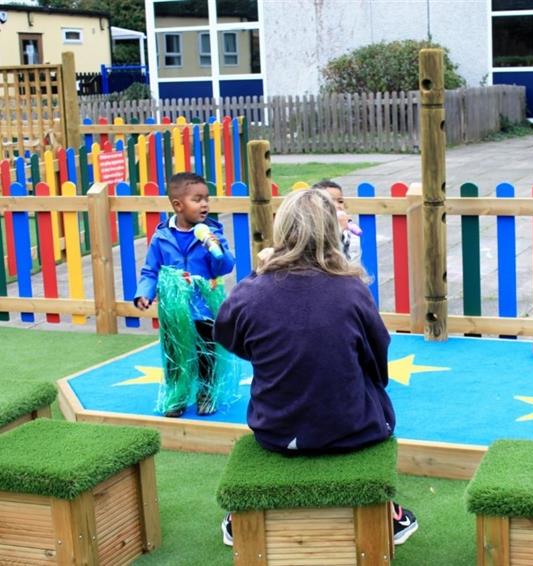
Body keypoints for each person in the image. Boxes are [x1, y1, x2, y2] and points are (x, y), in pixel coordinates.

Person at [214, 189, 418, 547]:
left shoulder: (253, 291)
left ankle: (242, 515)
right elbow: (378, 353)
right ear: (330, 233)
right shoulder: (351, 289)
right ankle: (387, 512)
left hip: (276, 431)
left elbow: (227, 335)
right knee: (369, 386)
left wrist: (256, 274)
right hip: (353, 431)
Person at [134, 172, 236, 417]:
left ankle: (206, 393)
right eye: (197, 199)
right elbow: (150, 271)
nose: (204, 205)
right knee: (176, 356)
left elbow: (225, 267)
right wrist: (143, 293)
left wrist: (215, 248)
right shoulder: (161, 238)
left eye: (206, 199)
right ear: (178, 205)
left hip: (204, 310)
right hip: (175, 311)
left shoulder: (212, 235)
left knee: (206, 356)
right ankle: (177, 395)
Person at [311, 179, 361, 264]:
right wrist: (339, 230)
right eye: (329, 201)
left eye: (340, 201)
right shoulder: (312, 229)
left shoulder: (346, 229)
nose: (337, 206)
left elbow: (352, 256)